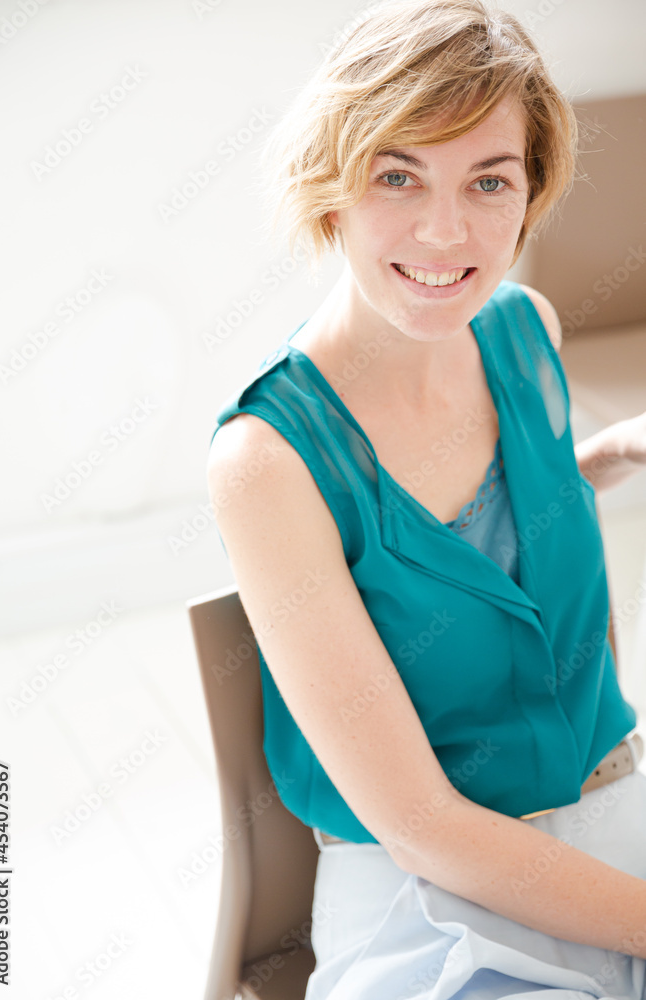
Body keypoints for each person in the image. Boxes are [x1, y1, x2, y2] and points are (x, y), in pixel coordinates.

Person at [206, 1, 646, 995]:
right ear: (330, 181)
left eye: (489, 179)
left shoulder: (524, 333)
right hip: (437, 900)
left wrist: (615, 448)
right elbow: (424, 828)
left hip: (613, 813)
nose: (445, 230)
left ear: (531, 192)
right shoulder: (267, 460)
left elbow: (495, 529)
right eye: (396, 174)